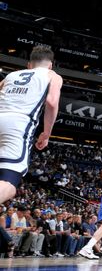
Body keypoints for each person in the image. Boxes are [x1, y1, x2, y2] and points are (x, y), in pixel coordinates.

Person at [0, 46, 62, 205]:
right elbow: (52, 101)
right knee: (9, 182)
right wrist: (46, 133)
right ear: (50, 65)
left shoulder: (11, 75)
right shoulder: (52, 75)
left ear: (29, 64)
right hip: (18, 124)